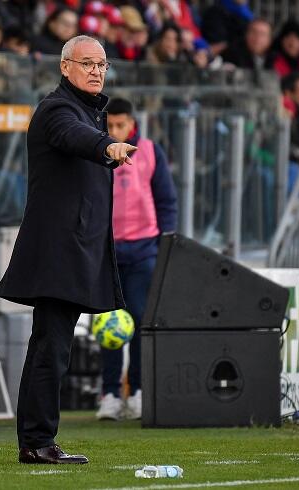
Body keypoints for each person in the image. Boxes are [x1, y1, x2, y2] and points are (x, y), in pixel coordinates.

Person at [0, 35, 136, 464]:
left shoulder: (89, 112)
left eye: (102, 64)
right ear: (64, 67)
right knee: (51, 348)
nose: (96, 71)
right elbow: (73, 137)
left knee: (51, 347)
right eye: (87, 63)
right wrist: (106, 145)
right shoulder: (58, 109)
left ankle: (38, 441)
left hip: (73, 251)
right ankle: (37, 443)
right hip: (58, 253)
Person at [95, 97, 177, 421]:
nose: (115, 131)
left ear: (132, 123)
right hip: (109, 251)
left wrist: (165, 244)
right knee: (109, 323)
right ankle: (111, 394)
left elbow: (166, 202)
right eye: (109, 125)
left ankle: (139, 392)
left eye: (120, 125)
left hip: (144, 250)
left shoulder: (150, 152)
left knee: (141, 320)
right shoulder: (98, 154)